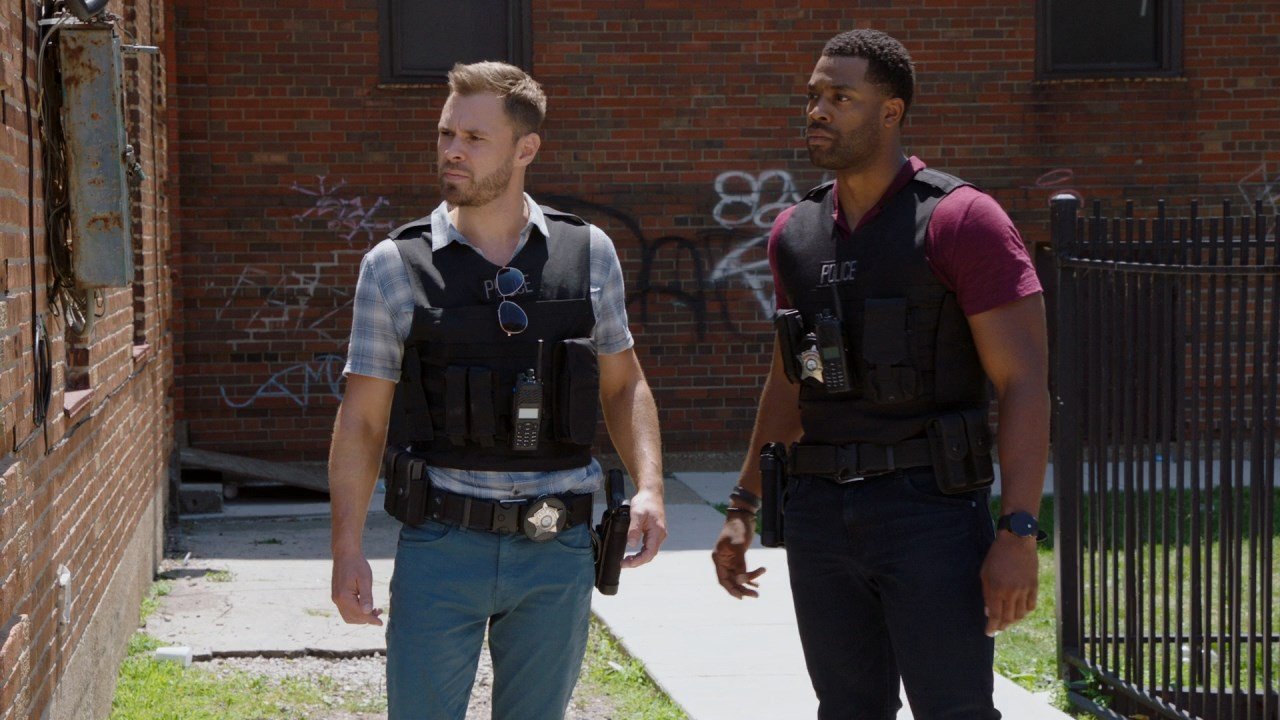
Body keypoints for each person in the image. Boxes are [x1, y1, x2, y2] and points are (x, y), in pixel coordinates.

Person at [711, 29, 1049, 720]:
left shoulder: (961, 220)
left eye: (841, 97)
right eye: (813, 96)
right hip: (819, 513)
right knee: (846, 709)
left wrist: (1018, 532)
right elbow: (790, 380)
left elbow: (1023, 384)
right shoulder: (795, 233)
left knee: (954, 711)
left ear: (891, 112)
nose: (817, 111)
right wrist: (743, 506)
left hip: (928, 512)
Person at [328, 61, 667, 720]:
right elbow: (362, 422)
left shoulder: (588, 253)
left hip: (557, 548)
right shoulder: (394, 267)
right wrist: (346, 549)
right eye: (446, 133)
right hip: (441, 544)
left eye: (474, 138)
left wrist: (650, 485)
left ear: (525, 149)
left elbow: (624, 383)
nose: (452, 150)